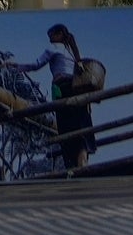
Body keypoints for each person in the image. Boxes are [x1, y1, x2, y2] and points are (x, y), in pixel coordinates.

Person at [40, 24, 106, 172]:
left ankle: (72, 167)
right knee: (81, 125)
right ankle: (83, 163)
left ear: (58, 34)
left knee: (66, 128)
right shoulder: (73, 51)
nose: (49, 39)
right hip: (77, 90)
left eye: (51, 35)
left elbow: (36, 64)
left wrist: (15, 65)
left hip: (62, 89)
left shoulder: (53, 49)